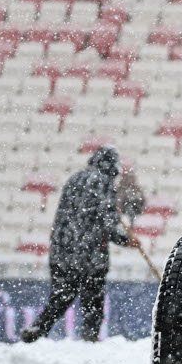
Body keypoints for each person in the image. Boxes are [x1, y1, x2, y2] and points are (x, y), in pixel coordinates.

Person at [21, 146, 139, 343]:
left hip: (62, 250)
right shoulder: (104, 183)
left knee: (62, 296)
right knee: (93, 298)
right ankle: (90, 338)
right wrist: (126, 240)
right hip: (90, 253)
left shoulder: (74, 179)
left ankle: (38, 329)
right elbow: (106, 223)